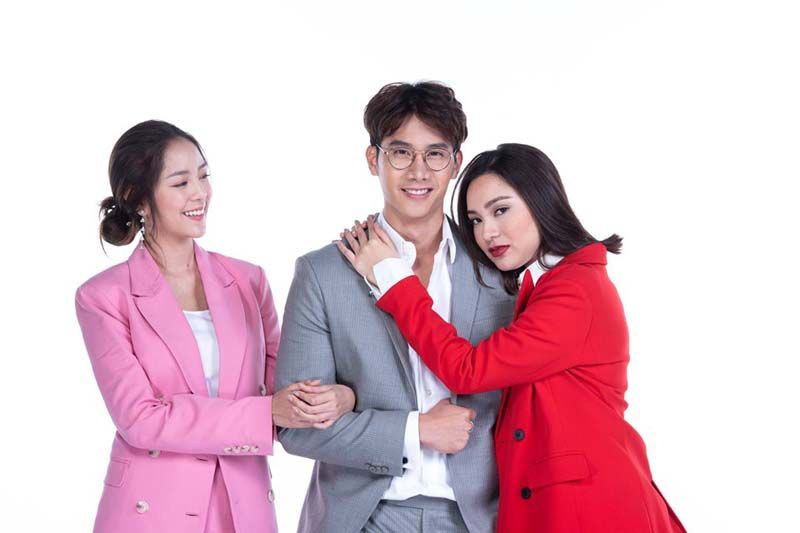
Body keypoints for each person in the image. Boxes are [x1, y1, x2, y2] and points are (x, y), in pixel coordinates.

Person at [338, 143, 686, 532]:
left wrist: (393, 277)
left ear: (541, 201)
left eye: (501, 210)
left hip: (592, 510)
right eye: (475, 220)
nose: (487, 232)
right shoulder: (547, 286)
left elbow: (468, 370)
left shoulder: (576, 290)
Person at [75, 120, 355, 533]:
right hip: (150, 511)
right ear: (138, 198)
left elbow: (286, 390)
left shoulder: (248, 281)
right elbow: (140, 420)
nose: (200, 193)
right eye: (180, 182)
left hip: (245, 507)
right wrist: (265, 413)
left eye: (204, 176)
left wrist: (344, 396)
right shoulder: (103, 297)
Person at [275, 82, 516, 533]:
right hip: (364, 517)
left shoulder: (500, 269)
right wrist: (414, 430)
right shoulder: (322, 273)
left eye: (435, 154)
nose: (418, 171)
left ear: (456, 163)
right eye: (401, 153)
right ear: (374, 160)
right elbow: (297, 427)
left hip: (479, 519)